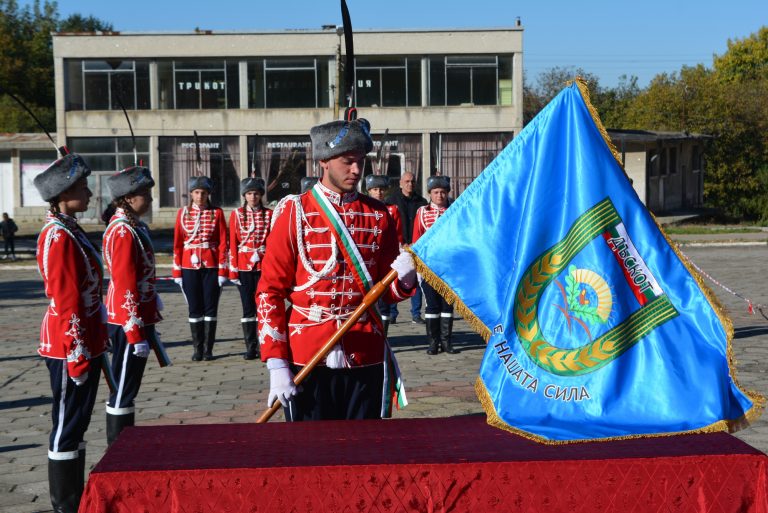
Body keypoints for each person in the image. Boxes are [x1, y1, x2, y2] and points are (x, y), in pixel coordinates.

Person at [257, 118, 417, 421]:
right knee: (311, 456)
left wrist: (406, 277)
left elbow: (388, 291)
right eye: (348, 162)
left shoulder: (378, 214)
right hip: (308, 355)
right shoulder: (295, 212)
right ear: (324, 162)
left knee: (364, 451)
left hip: (365, 351)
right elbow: (270, 292)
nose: (357, 170)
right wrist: (276, 363)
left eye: (360, 162)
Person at [33, 153, 108, 513]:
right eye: (82, 187)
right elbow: (67, 300)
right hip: (67, 346)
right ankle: (64, 504)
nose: (90, 192)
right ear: (63, 193)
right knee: (66, 425)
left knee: (77, 425)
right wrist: (77, 354)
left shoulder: (69, 229)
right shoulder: (59, 236)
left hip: (84, 340)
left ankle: (74, 499)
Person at [102, 166, 163, 444]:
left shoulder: (134, 226)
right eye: (144, 194)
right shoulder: (124, 231)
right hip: (128, 320)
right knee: (123, 387)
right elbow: (125, 284)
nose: (149, 200)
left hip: (137, 315)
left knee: (129, 386)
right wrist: (134, 332)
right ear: (127, 198)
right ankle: (118, 446)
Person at [172, 176, 228, 361]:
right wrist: (177, 271)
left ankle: (208, 349)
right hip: (189, 265)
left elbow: (222, 243)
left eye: (203, 193)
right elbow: (178, 245)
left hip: (210, 265)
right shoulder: (182, 214)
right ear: (191, 194)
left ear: (208, 194)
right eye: (196, 192)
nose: (200, 196)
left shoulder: (217, 213)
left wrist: (222, 270)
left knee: (210, 307)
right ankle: (197, 349)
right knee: (194, 307)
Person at [412, 175, 457, 355]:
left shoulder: (454, 211)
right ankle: (433, 342)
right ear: (430, 193)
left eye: (443, 192)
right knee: (432, 305)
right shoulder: (422, 212)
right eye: (436, 192)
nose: (440, 196)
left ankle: (447, 341)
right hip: (429, 265)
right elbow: (417, 238)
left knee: (447, 304)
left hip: (449, 266)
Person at [229, 177, 272, 360]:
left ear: (261, 195)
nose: (252, 197)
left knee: (264, 307)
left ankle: (265, 345)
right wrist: (233, 270)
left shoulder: (269, 214)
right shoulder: (236, 214)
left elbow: (273, 241)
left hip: (263, 265)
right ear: (244, 196)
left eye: (255, 193)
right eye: (249, 193)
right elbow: (232, 243)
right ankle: (251, 347)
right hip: (244, 265)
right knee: (248, 308)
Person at [385, 171, 427, 324]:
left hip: (416, 246)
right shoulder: (392, 201)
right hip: (398, 245)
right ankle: (392, 313)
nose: (410, 184)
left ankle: (416, 313)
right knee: (396, 277)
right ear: (401, 183)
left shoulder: (422, 202)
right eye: (407, 181)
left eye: (413, 181)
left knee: (415, 278)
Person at [365, 173, 404, 336]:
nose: (379, 193)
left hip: (386, 255)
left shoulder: (392, 209)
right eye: (375, 189)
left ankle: (383, 332)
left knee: (384, 298)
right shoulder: (365, 208)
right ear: (369, 191)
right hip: (368, 256)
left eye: (381, 189)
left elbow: (397, 233)